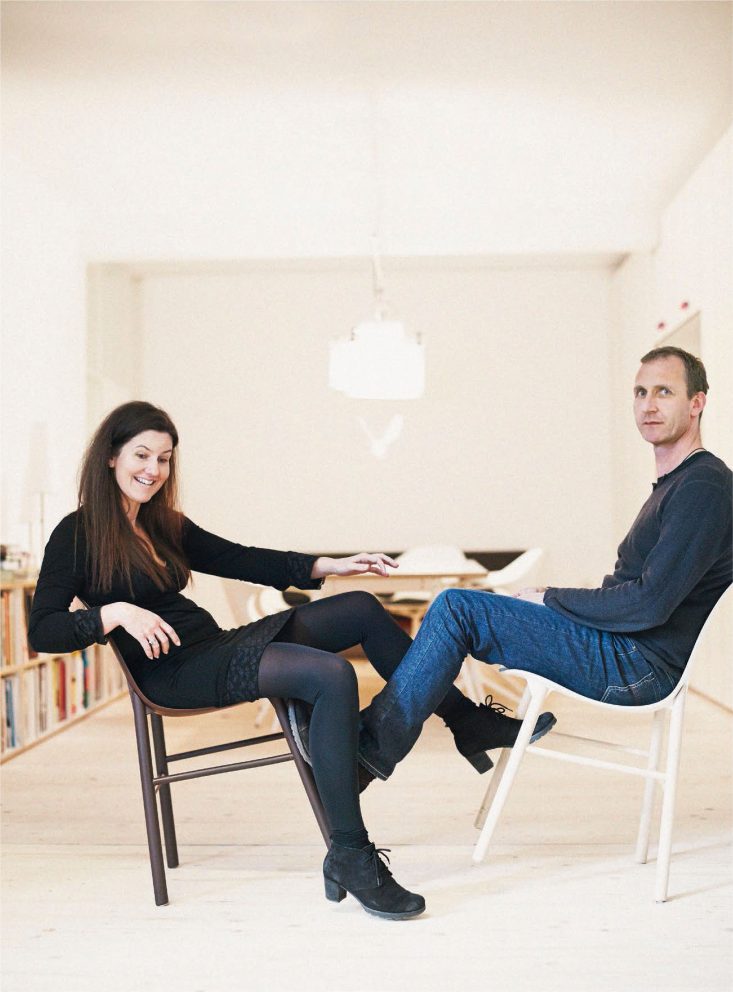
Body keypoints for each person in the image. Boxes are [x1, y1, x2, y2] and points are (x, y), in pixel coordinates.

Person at [28, 401, 553, 921]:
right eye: (141, 455)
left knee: (361, 608)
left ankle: (465, 721)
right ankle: (350, 851)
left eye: (163, 459)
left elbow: (241, 558)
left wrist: (330, 565)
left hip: (212, 646)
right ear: (111, 457)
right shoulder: (76, 534)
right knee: (330, 674)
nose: (153, 470)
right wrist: (114, 613)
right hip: (173, 673)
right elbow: (43, 629)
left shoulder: (161, 523)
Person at [356, 347, 732, 784]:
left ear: (696, 402)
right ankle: (459, 728)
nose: (648, 405)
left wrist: (553, 598)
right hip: (622, 647)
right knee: (463, 607)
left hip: (637, 665)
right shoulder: (679, 483)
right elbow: (635, 595)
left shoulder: (703, 486)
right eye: (640, 392)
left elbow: (649, 604)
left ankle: (368, 753)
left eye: (664, 392)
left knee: (457, 608)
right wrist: (552, 601)